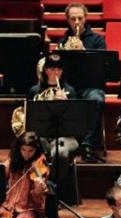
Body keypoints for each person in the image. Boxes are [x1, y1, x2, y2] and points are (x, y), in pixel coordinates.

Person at [58, 2, 106, 162]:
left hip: (90, 85)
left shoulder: (98, 40)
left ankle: (86, 145)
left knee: (96, 98)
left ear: (85, 18)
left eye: (80, 18)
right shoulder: (62, 41)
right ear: (68, 20)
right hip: (69, 86)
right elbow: (56, 70)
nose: (77, 22)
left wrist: (84, 51)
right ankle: (68, 142)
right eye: (73, 19)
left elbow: (102, 69)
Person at [27, 53, 79, 184]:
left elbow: (77, 121)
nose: (55, 72)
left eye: (58, 69)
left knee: (60, 152)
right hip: (42, 136)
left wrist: (66, 104)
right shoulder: (35, 91)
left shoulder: (70, 91)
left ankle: (55, 186)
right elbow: (29, 117)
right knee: (29, 146)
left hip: (66, 137)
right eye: (52, 69)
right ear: (45, 70)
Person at [3, 131, 49, 218]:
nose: (26, 154)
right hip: (9, 208)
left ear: (36, 150)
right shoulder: (13, 161)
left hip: (31, 210)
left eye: (30, 150)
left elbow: (38, 199)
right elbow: (0, 173)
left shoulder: (39, 166)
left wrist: (39, 189)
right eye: (23, 150)